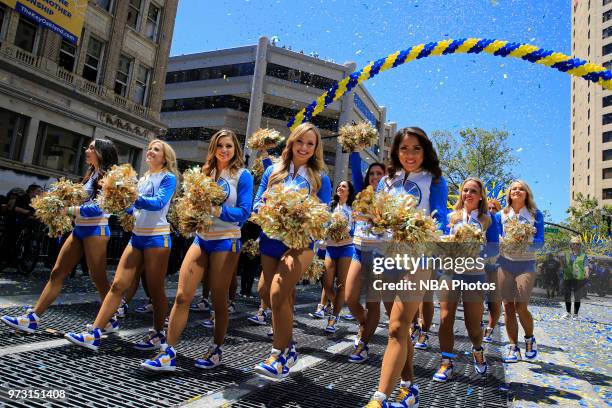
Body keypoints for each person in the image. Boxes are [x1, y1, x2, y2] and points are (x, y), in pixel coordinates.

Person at [142, 129, 253, 371]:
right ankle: (168, 352)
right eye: (220, 146)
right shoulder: (204, 173)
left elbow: (244, 214)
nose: (224, 150)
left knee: (218, 299)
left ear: (236, 150)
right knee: (183, 296)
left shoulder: (243, 176)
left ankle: (216, 348)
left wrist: (215, 210)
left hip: (227, 239)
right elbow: (193, 204)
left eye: (229, 146)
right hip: (202, 239)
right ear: (213, 149)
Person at [64, 140, 178, 351]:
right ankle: (94, 333)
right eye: (150, 148)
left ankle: (159, 333)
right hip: (137, 237)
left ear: (165, 157)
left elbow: (158, 203)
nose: (151, 151)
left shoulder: (168, 178)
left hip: (157, 238)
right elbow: (131, 209)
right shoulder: (142, 178)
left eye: (157, 149)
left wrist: (131, 196)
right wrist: (117, 205)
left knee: (155, 289)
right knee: (117, 285)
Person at [366, 127, 448, 407]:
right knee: (397, 330)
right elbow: (374, 219)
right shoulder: (386, 181)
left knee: (397, 326)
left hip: (419, 258)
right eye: (404, 148)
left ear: (425, 151)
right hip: (387, 258)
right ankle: (409, 387)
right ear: (395, 151)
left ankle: (380, 398)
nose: (410, 155)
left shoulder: (434, 180)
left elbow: (441, 222)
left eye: (416, 149)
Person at [1, 139, 119, 333]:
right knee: (57, 273)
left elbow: (99, 207)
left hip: (96, 230)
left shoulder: (110, 177)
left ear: (101, 152)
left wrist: (67, 210)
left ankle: (110, 318)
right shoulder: (90, 174)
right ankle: (32, 319)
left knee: (98, 278)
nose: (86, 150)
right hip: (80, 229)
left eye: (91, 147)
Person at [252, 122, 331, 379]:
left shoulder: (320, 177)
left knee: (277, 291)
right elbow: (258, 200)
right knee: (267, 292)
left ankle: (279, 355)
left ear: (316, 148)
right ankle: (290, 346)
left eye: (311, 144)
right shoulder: (273, 171)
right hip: (271, 239)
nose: (305, 147)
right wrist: (261, 209)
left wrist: (304, 218)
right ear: (292, 142)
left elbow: (325, 215)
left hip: (300, 244)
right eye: (300, 141)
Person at [433, 177, 498, 382]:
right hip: (450, 272)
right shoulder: (450, 217)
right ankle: (446, 362)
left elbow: (494, 249)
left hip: (475, 274)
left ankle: (477, 350)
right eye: (465, 190)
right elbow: (439, 240)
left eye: (473, 191)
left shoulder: (488, 220)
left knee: (472, 326)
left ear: (480, 197)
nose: (468, 194)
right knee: (445, 318)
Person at [344, 153, 387, 363]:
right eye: (372, 173)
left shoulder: (391, 199)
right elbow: (354, 165)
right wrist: (355, 148)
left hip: (380, 256)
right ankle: (365, 323)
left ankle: (363, 344)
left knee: (373, 304)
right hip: (359, 251)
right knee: (350, 297)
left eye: (380, 173)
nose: (375, 176)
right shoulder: (361, 193)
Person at [495, 180, 544, 363]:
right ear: (509, 194)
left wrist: (525, 241)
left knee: (520, 305)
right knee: (507, 306)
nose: (517, 191)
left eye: (521, 189)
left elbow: (540, 241)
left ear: (527, 193)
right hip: (505, 263)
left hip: (526, 264)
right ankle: (513, 346)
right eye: (514, 188)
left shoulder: (535, 214)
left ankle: (530, 338)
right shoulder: (500, 215)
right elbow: (496, 238)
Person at [321, 180, 356, 334]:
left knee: (341, 284)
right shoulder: (330, 206)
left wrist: (348, 231)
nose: (340, 188)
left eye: (344, 186)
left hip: (346, 247)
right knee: (327, 283)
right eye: (339, 186)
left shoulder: (352, 208)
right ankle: (337, 306)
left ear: (349, 191)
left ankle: (333, 318)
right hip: (330, 247)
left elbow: (356, 228)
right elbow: (322, 223)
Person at [483, 198, 502, 343]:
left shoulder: (501, 220)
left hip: (498, 261)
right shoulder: (481, 218)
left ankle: (490, 328)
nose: (491, 211)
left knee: (493, 298)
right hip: (481, 260)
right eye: (488, 208)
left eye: (493, 208)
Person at [561, 237, 589, 319]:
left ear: (580, 245)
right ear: (571, 245)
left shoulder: (583, 255)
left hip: (578, 278)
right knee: (567, 295)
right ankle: (568, 313)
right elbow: (563, 265)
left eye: (577, 244)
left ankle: (576, 314)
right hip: (568, 276)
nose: (575, 245)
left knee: (577, 296)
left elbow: (586, 265)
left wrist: (587, 272)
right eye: (574, 244)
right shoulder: (566, 254)